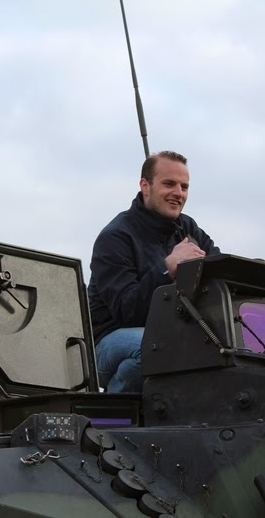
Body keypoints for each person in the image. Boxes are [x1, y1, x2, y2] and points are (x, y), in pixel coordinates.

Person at [87, 150, 219, 393]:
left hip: (174, 334)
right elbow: (128, 312)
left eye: (184, 187)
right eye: (169, 184)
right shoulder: (115, 237)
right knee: (155, 346)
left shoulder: (188, 229)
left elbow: (219, 271)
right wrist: (167, 269)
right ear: (145, 186)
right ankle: (111, 411)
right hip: (107, 343)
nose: (178, 193)